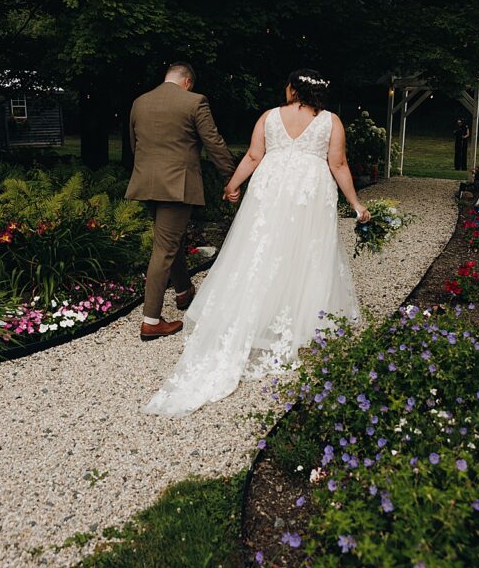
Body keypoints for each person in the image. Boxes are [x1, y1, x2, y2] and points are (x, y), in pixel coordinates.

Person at [143, 70, 372, 417]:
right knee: (304, 255)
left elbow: (253, 156)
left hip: (271, 188)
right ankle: (295, 322)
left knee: (260, 250)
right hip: (308, 193)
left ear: (294, 88)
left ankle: (257, 315)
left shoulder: (269, 116)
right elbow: (337, 163)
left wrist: (232, 185)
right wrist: (355, 203)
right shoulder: (330, 121)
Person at [126, 62, 237, 341]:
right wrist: (231, 176)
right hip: (177, 184)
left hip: (146, 182)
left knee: (169, 240)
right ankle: (151, 320)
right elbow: (212, 141)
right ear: (188, 81)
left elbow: (133, 143)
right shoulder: (194, 101)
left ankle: (184, 291)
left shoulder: (140, 102)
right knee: (164, 247)